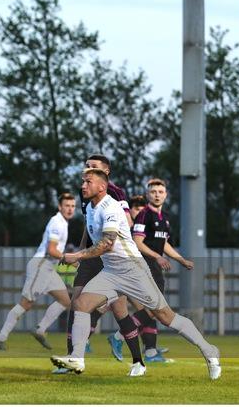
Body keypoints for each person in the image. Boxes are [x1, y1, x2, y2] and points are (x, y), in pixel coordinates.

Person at [50, 169, 221, 380]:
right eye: (83, 181)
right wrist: (80, 254)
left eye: (88, 181)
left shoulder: (110, 207)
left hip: (133, 270)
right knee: (81, 304)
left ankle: (209, 350)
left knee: (165, 317)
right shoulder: (92, 209)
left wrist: (76, 255)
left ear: (102, 186)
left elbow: (106, 244)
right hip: (111, 271)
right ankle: (77, 358)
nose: (83, 185)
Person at [59, 155, 143, 375]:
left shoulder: (116, 194)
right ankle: (72, 360)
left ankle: (138, 362)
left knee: (120, 310)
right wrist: (80, 253)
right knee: (76, 303)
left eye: (93, 167)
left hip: (112, 257)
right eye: (86, 166)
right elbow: (89, 226)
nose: (88, 170)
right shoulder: (85, 192)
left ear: (106, 173)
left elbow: (127, 223)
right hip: (90, 257)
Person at [108, 179, 193, 362]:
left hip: (153, 265)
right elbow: (138, 242)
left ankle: (123, 338)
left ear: (165, 194)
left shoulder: (166, 217)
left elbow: (165, 244)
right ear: (148, 194)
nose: (157, 194)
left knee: (154, 309)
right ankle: (123, 339)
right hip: (143, 263)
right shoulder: (144, 215)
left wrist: (180, 259)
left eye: (160, 192)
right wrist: (157, 256)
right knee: (156, 307)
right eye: (153, 191)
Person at [0, 193, 75, 351]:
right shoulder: (57, 222)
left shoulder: (63, 223)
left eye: (73, 206)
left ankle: (40, 330)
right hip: (41, 265)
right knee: (26, 303)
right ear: (60, 207)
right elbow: (51, 250)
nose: (70, 209)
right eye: (67, 205)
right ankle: (1, 337)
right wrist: (69, 258)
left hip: (49, 268)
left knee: (65, 301)